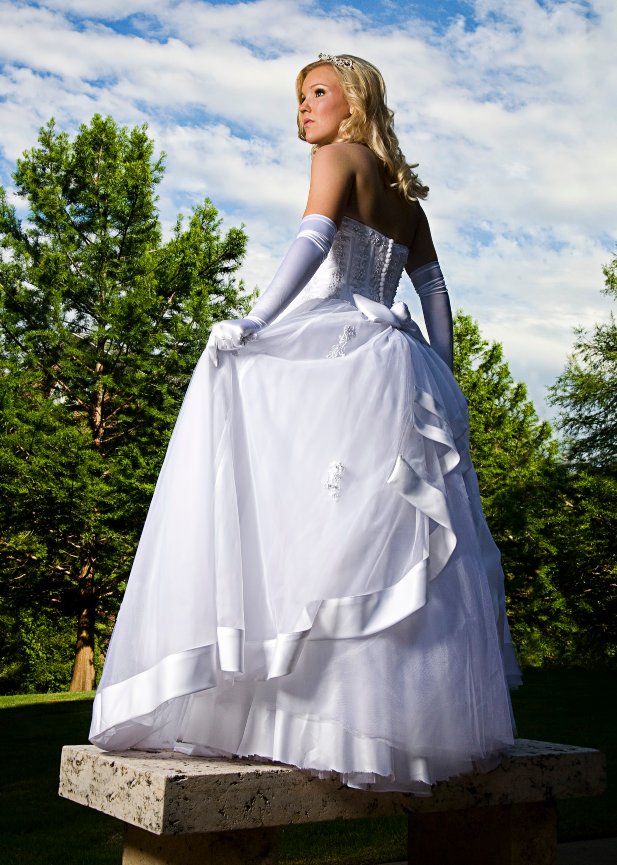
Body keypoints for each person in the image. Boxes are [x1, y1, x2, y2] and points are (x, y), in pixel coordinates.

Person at [89, 53, 521, 794]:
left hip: (342, 352)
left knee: (304, 519)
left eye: (318, 92)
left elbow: (314, 241)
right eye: (299, 97)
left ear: (354, 102)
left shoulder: (337, 158)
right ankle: (394, 727)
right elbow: (434, 291)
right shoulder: (405, 199)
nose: (304, 107)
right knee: (376, 538)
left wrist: (256, 320)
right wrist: (444, 373)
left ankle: (286, 713)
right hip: (399, 363)